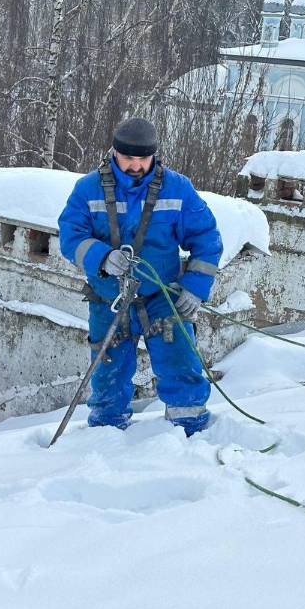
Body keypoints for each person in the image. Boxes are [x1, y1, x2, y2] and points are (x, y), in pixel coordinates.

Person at [58, 117, 223, 436]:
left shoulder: (177, 188)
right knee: (108, 373)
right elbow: (70, 235)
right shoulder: (88, 189)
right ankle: (104, 434)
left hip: (163, 297)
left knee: (180, 362)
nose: (135, 166)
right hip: (110, 299)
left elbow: (206, 237)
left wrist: (194, 288)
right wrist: (102, 256)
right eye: (128, 158)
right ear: (114, 153)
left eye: (142, 159)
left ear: (154, 155)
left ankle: (190, 431)